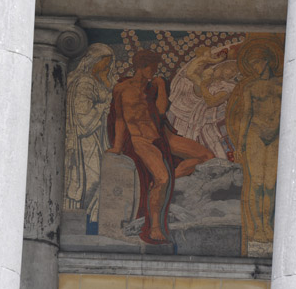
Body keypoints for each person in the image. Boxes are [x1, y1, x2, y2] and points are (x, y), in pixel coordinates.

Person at [107, 51, 214, 243]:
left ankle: (171, 175)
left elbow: (161, 110)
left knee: (206, 156)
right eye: (152, 68)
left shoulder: (154, 86)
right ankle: (155, 227)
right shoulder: (121, 89)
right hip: (140, 140)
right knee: (162, 179)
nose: (154, 72)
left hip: (162, 135)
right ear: (141, 66)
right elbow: (120, 119)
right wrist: (117, 146)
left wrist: (161, 86)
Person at [225, 37, 282, 251]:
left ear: (266, 61)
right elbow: (246, 114)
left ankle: (269, 226)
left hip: (276, 136)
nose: (254, 67)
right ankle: (258, 228)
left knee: (271, 185)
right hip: (256, 135)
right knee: (257, 183)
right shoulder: (251, 87)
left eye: (257, 63)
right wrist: (240, 145)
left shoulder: (282, 83)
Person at [64, 43, 115, 228]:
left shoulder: (98, 80)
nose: (108, 67)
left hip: (98, 139)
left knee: (100, 178)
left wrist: (107, 83)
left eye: (110, 63)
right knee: (91, 180)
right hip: (85, 142)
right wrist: (103, 107)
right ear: (95, 60)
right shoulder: (85, 82)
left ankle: (92, 223)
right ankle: (81, 224)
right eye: (105, 63)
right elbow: (83, 119)